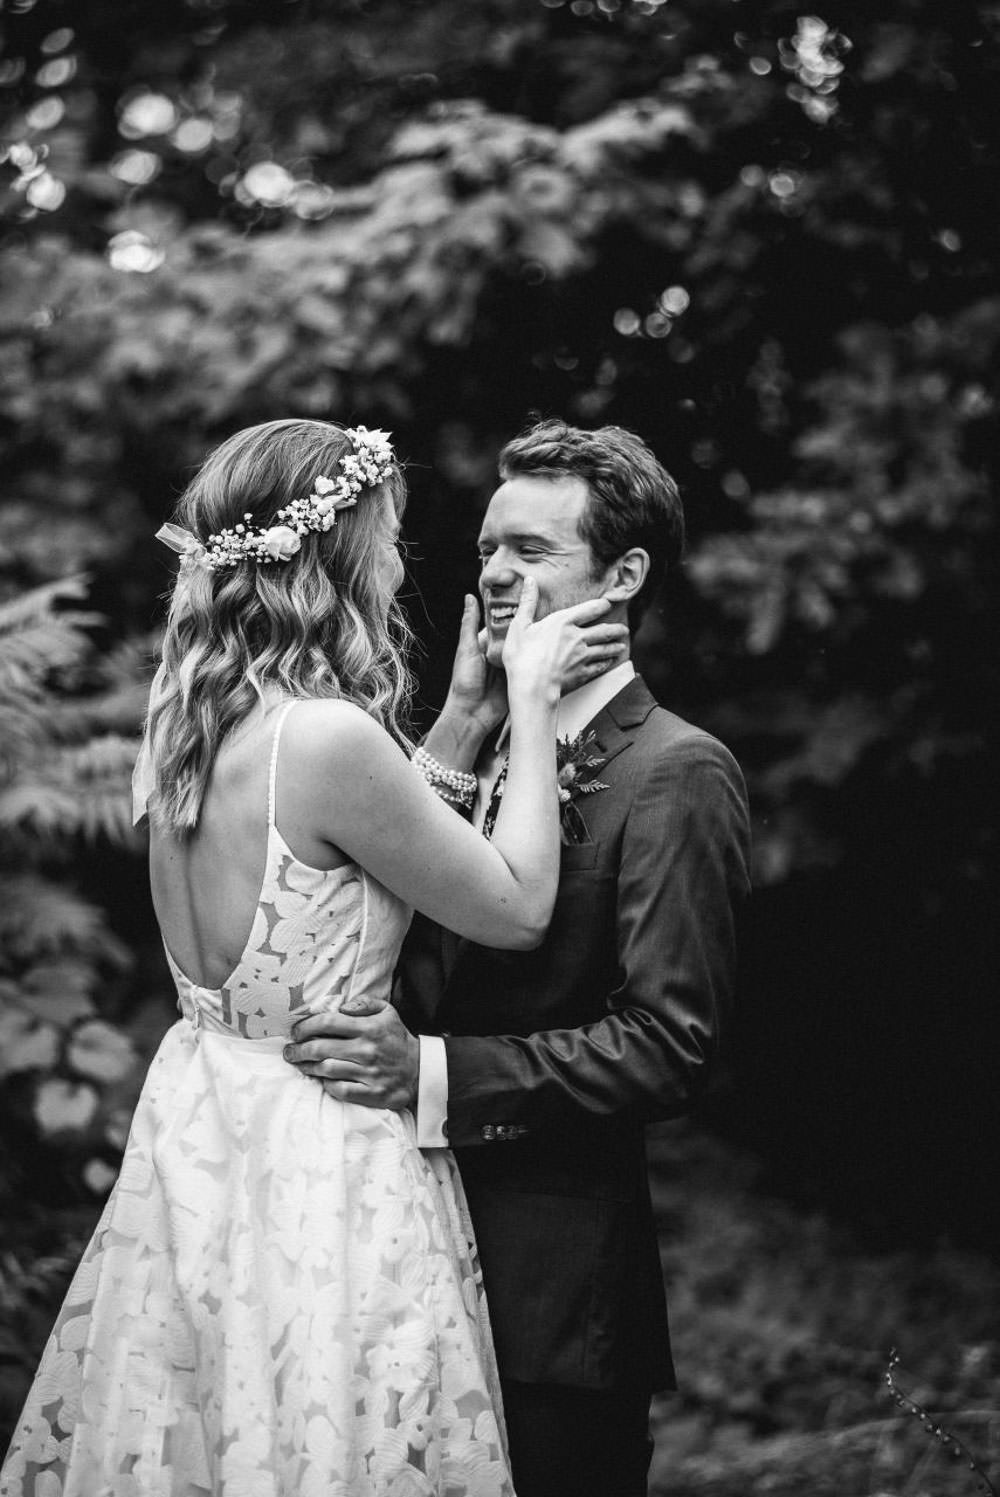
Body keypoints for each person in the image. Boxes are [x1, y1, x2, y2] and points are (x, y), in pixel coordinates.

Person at [0, 418, 629, 1497]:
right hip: (320, 1144)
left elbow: (355, 861)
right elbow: (519, 906)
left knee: (216, 1424)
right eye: (385, 539)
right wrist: (526, 702)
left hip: (207, 1128)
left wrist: (460, 718)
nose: (398, 566)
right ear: (335, 556)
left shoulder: (188, 724)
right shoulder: (329, 736)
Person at [284, 418, 752, 1497]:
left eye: (532, 550)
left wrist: (431, 1071)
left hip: (550, 1296)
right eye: (490, 546)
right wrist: (463, 724)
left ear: (623, 575)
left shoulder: (676, 770)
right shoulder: (472, 744)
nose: (494, 571)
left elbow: (670, 1046)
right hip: (389, 1257)